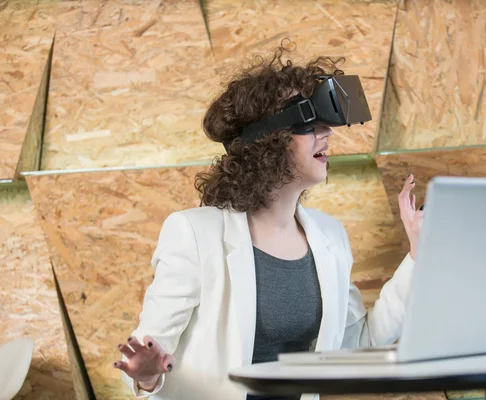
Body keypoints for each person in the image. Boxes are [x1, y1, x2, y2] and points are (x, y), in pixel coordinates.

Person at [113, 44, 423, 400]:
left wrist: (417, 255)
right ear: (266, 142)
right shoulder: (195, 234)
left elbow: (356, 341)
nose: (327, 133)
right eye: (309, 122)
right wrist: (147, 376)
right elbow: (146, 353)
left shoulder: (330, 237)